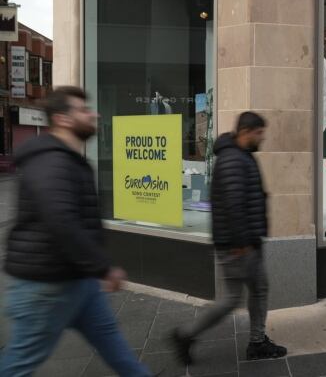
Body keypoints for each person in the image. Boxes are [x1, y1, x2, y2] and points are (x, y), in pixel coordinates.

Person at [0, 87, 151, 376]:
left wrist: (95, 269)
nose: (93, 114)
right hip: (44, 285)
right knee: (19, 365)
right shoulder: (51, 161)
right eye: (83, 109)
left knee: (116, 349)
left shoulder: (67, 159)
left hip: (77, 280)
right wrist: (103, 267)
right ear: (63, 120)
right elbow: (62, 220)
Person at [171, 112, 286, 364]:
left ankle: (191, 335)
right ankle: (253, 342)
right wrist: (242, 244)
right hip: (239, 246)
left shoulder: (238, 156)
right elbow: (234, 205)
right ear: (245, 131)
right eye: (258, 133)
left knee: (245, 293)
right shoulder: (234, 160)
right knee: (238, 297)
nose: (262, 137)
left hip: (240, 243)